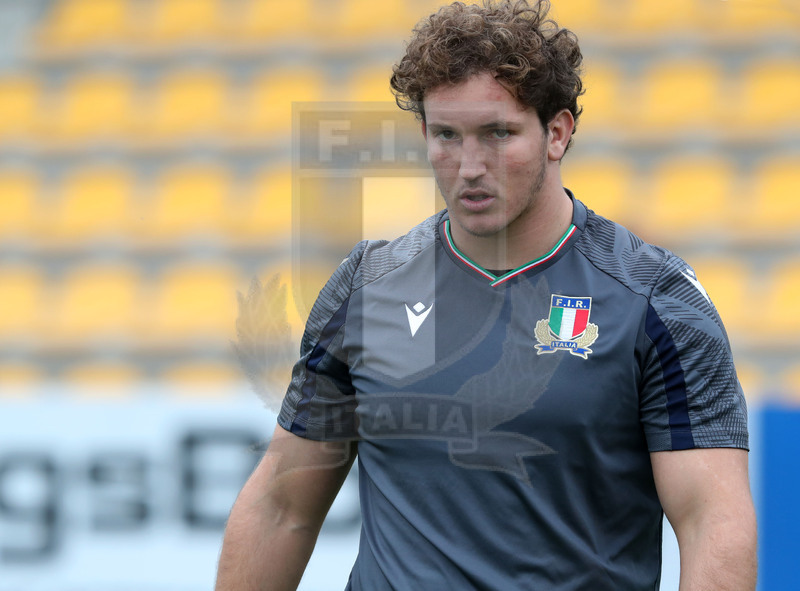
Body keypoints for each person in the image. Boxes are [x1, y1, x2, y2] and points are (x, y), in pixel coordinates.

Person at [215, 1, 757, 589]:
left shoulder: (656, 299)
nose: (469, 165)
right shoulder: (365, 286)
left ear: (557, 133)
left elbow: (712, 522)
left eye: (497, 134)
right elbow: (280, 507)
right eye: (446, 135)